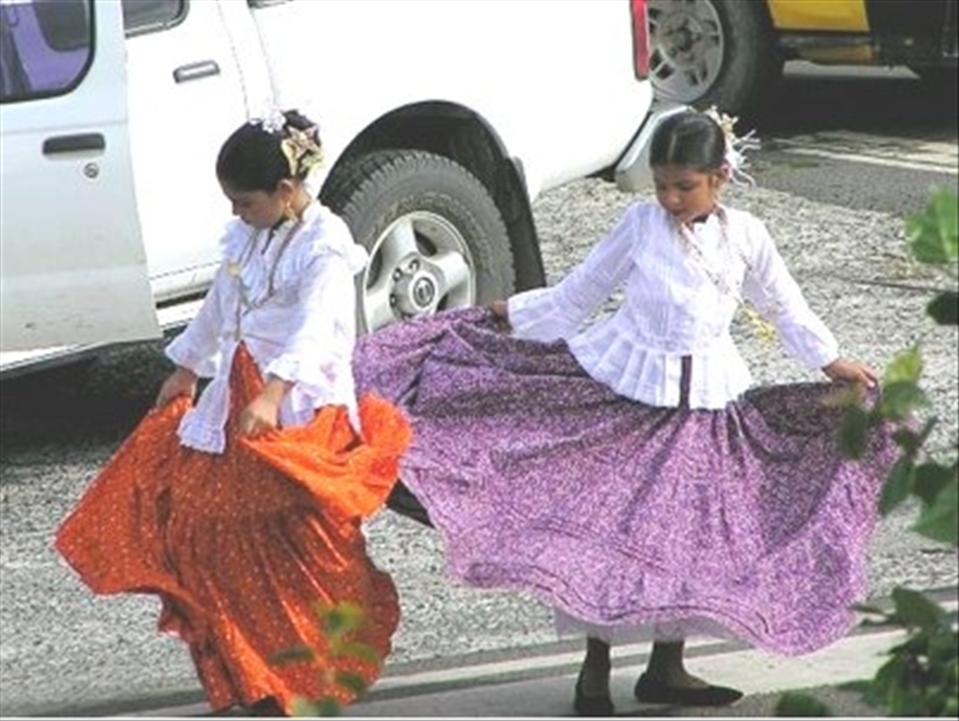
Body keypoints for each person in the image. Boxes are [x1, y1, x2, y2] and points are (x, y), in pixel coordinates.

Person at [355, 108, 900, 716]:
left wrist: (832, 362)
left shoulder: (748, 236)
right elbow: (576, 297)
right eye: (662, 183)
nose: (669, 197)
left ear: (719, 177)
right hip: (623, 397)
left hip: (707, 413)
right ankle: (594, 673)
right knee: (611, 538)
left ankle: (667, 669)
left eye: (684, 186)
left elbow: (785, 307)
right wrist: (500, 316)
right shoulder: (640, 225)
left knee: (686, 543)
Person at [55, 110, 411, 717]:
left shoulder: (324, 250)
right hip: (237, 401)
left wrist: (272, 395)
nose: (235, 213)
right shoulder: (249, 237)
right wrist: (188, 368)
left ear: (285, 192)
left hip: (298, 409)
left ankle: (300, 671)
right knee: (205, 531)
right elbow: (221, 305)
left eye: (243, 201)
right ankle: (247, 664)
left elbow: (316, 332)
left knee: (293, 544)